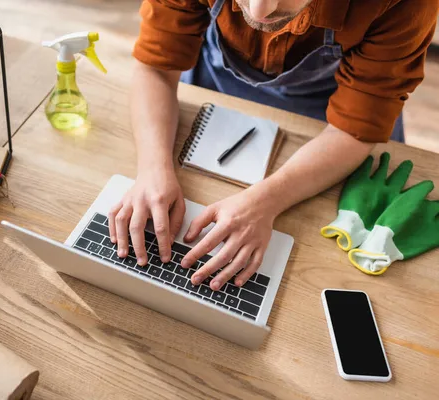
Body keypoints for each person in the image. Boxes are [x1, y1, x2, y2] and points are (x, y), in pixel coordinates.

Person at [108, 0, 439, 291]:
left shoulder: (405, 4)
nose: (259, 10)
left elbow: (355, 130)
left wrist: (263, 203)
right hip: (219, 79)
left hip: (333, 112)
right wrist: (153, 169)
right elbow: (156, 67)